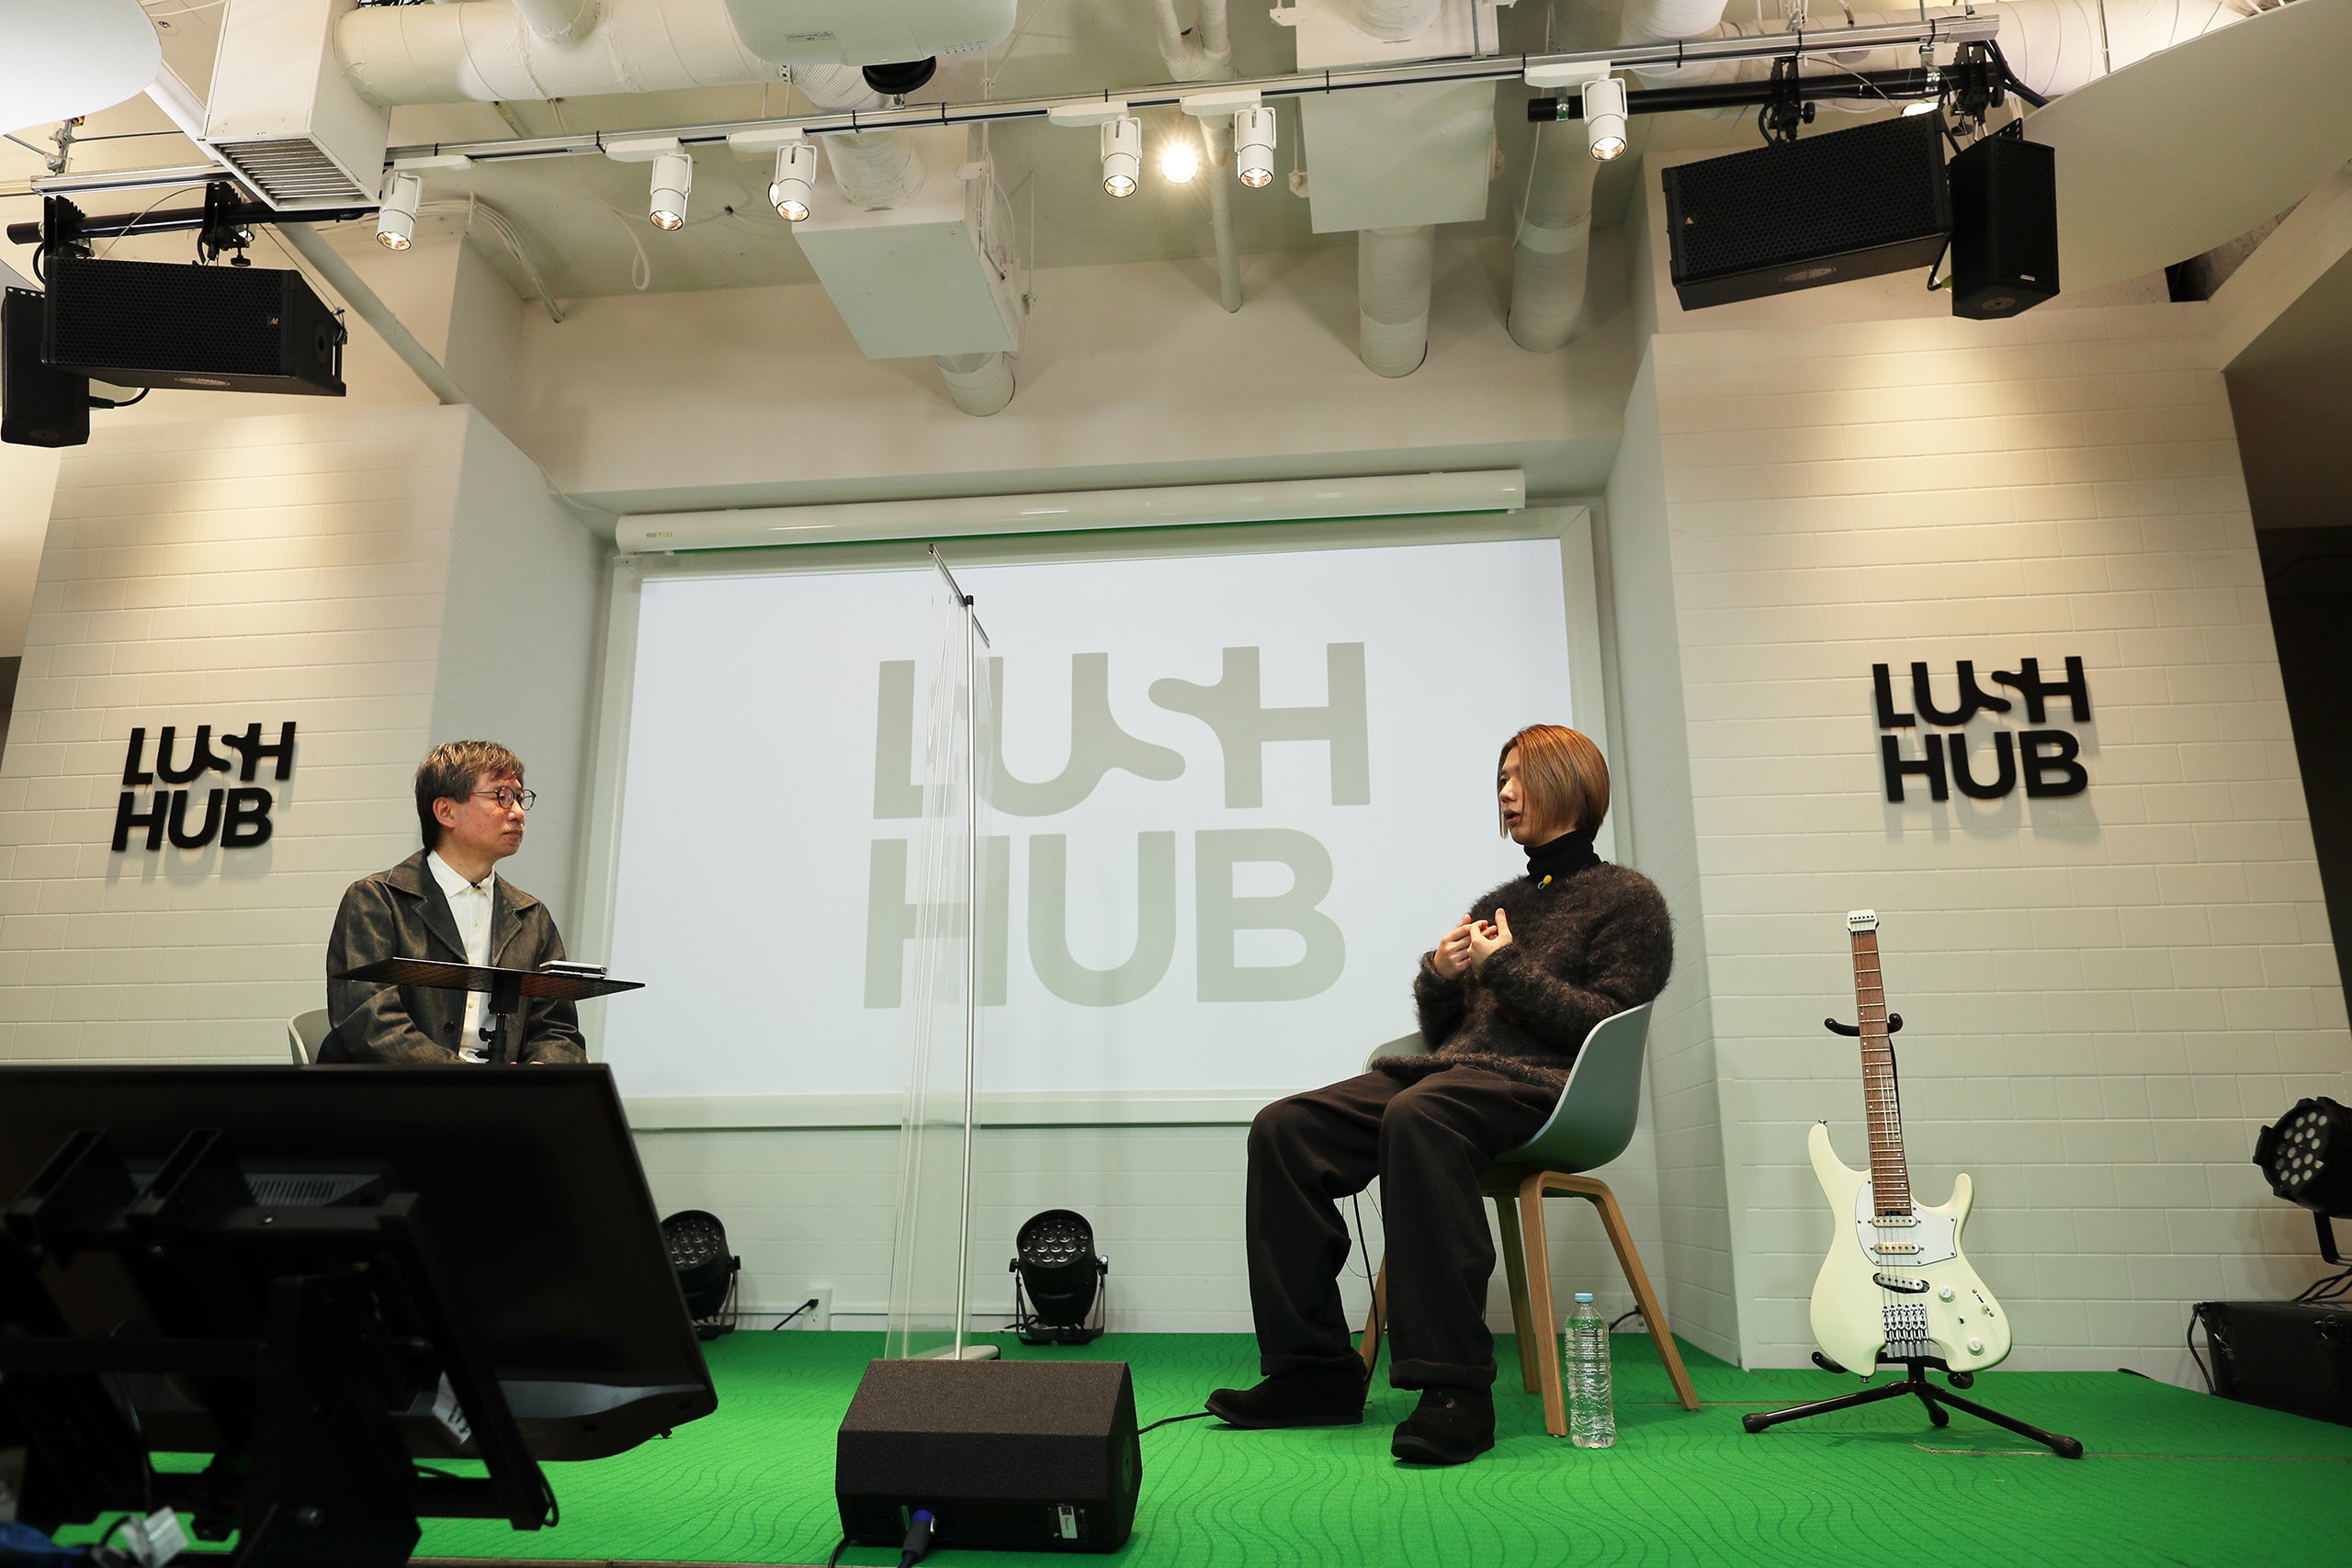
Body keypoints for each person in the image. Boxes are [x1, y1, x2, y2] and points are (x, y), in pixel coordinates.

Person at [1207, 724, 1672, 1464]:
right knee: (1285, 1126)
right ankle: (1313, 1372)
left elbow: (1602, 1022)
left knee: (1420, 1115)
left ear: (1569, 783)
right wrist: (1443, 977)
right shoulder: (1500, 901)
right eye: (1501, 779)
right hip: (1453, 1077)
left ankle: (1454, 1390)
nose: (1505, 792)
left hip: (1548, 1087)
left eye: (1519, 776)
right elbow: (1452, 1035)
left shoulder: (1628, 899)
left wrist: (1505, 966)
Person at [316, 740, 587, 1066]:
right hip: (398, 1090)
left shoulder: (531, 915)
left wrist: (542, 1073)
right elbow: (370, 1024)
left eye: (519, 797)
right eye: (501, 796)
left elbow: (558, 1029)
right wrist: (466, 1080)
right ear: (446, 811)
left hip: (501, 1094)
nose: (517, 812)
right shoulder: (376, 900)